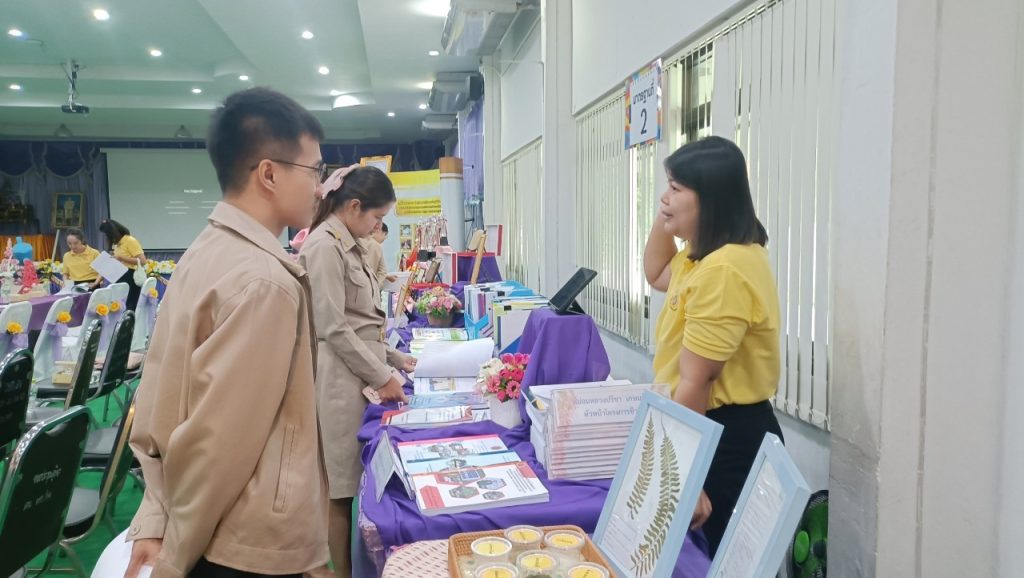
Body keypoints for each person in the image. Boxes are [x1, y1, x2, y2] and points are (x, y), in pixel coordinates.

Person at [124, 87, 329, 578]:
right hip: (240, 537)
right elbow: (219, 445)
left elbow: (158, 401)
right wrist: (174, 559)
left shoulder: (205, 249)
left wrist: (158, 515)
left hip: (203, 523)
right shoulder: (264, 281)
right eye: (315, 170)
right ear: (269, 174)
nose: (321, 187)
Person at [643, 136, 783, 557]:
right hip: (707, 424)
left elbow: (697, 380)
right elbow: (656, 272)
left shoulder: (724, 270)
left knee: (724, 560)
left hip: (725, 437)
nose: (664, 198)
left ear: (710, 199)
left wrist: (687, 473)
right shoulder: (700, 256)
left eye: (675, 188)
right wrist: (669, 211)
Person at [299, 166, 416, 578]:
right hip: (340, 380)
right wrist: (382, 376)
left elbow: (361, 322)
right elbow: (333, 327)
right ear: (353, 207)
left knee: (354, 482)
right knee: (341, 489)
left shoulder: (350, 244)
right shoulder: (324, 247)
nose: (376, 227)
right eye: (376, 218)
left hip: (360, 370)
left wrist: (394, 359)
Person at [98, 218, 146, 309]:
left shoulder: (130, 241)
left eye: (107, 235)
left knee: (130, 304)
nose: (106, 237)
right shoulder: (118, 243)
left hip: (130, 276)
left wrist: (121, 258)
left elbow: (143, 261)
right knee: (120, 305)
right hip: (120, 275)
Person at [364, 222, 396, 286]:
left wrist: (386, 276)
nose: (385, 238)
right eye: (385, 234)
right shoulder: (374, 245)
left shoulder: (363, 241)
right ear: (379, 230)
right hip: (369, 287)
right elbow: (374, 270)